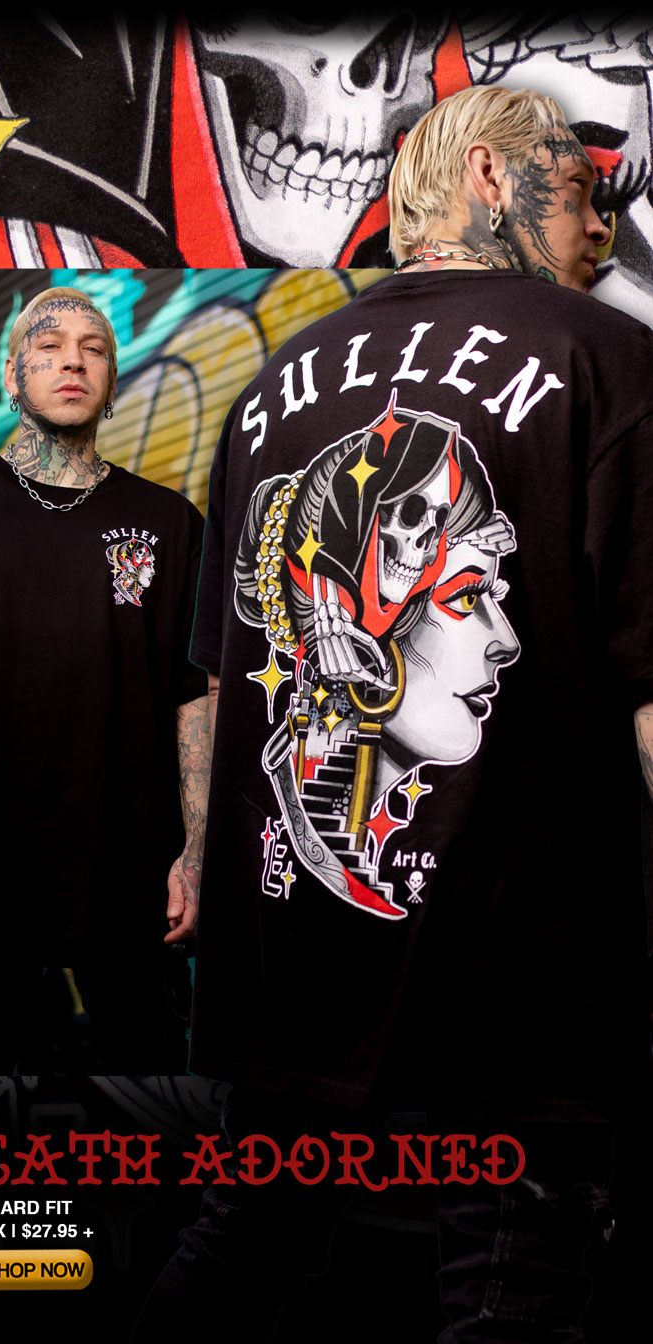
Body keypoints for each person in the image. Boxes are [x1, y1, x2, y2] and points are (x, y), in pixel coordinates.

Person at [136, 86, 653, 1341]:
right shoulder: (607, 360)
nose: (602, 230)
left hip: (288, 949)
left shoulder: (275, 381)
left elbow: (225, 679)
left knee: (248, 1237)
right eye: (584, 192)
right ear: (490, 177)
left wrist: (209, 870)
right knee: (511, 1284)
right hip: (521, 962)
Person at [0, 285, 210, 1074]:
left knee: (149, 1105)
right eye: (49, 345)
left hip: (135, 884)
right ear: (12, 375)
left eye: (93, 348)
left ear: (112, 379)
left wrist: (197, 850)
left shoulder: (170, 523)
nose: (73, 360)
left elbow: (196, 698)